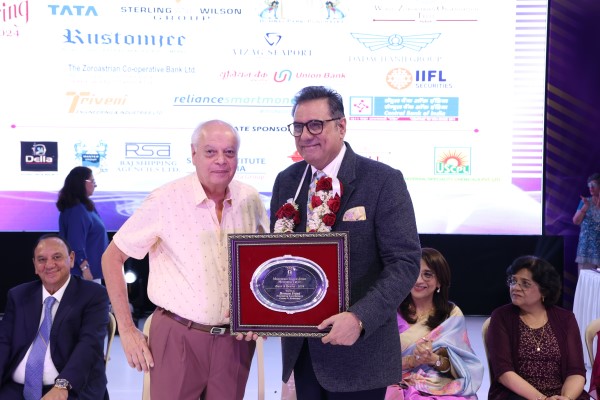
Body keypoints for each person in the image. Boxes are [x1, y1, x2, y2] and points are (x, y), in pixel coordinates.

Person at [270, 86, 421, 399]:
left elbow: (404, 263)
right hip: (303, 350)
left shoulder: (382, 180)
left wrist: (360, 318)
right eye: (298, 127)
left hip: (361, 354)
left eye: (315, 125)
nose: (305, 135)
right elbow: (278, 258)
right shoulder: (287, 180)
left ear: (341, 126)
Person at [101, 120, 269, 400]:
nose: (221, 160)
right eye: (210, 152)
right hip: (178, 335)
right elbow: (112, 257)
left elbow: (266, 264)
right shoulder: (165, 200)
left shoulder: (250, 199)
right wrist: (127, 330)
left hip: (234, 342)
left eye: (229, 152)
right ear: (193, 154)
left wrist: (263, 314)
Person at [0, 233, 109, 399]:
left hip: (70, 387)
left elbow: (90, 344)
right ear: (35, 265)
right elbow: (4, 342)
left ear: (71, 259)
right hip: (14, 389)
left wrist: (62, 385)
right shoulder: (18, 296)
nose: (49, 265)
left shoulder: (93, 294)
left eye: (57, 257)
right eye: (42, 259)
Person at [385, 248, 483, 400]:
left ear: (439, 281)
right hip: (400, 384)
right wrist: (412, 361)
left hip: (442, 384)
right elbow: (378, 365)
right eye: (414, 273)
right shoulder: (391, 313)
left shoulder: (451, 314)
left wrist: (433, 359)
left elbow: (462, 368)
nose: (419, 280)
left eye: (427, 274)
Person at [486, 255, 589, 400]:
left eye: (525, 283)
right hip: (517, 395)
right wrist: (542, 399)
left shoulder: (566, 319)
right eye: (513, 281)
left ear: (544, 290)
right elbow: (504, 372)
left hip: (560, 394)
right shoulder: (501, 317)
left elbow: (576, 370)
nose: (515, 287)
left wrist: (567, 398)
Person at [57, 166, 108, 283]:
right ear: (81, 183)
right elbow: (75, 242)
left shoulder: (86, 207)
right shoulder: (77, 210)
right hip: (83, 274)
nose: (95, 185)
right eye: (93, 181)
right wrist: (85, 268)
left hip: (92, 272)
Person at [572, 172, 600, 272]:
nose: (590, 188)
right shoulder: (585, 202)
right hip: (586, 250)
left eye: (594, 185)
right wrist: (585, 207)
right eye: (589, 185)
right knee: (586, 279)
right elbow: (576, 221)